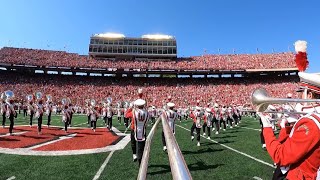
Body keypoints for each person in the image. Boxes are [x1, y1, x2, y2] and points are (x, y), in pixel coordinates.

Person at [258, 72, 320, 180]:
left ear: (309, 95)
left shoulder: (310, 123)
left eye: (301, 93)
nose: (298, 97)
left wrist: (266, 126)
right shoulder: (311, 117)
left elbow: (281, 156)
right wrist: (289, 124)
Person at [125, 98, 149, 166]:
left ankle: (135, 155)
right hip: (143, 131)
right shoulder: (146, 112)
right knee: (141, 147)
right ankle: (141, 162)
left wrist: (130, 107)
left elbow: (126, 115)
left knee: (133, 143)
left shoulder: (133, 112)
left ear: (137, 105)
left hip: (134, 129)